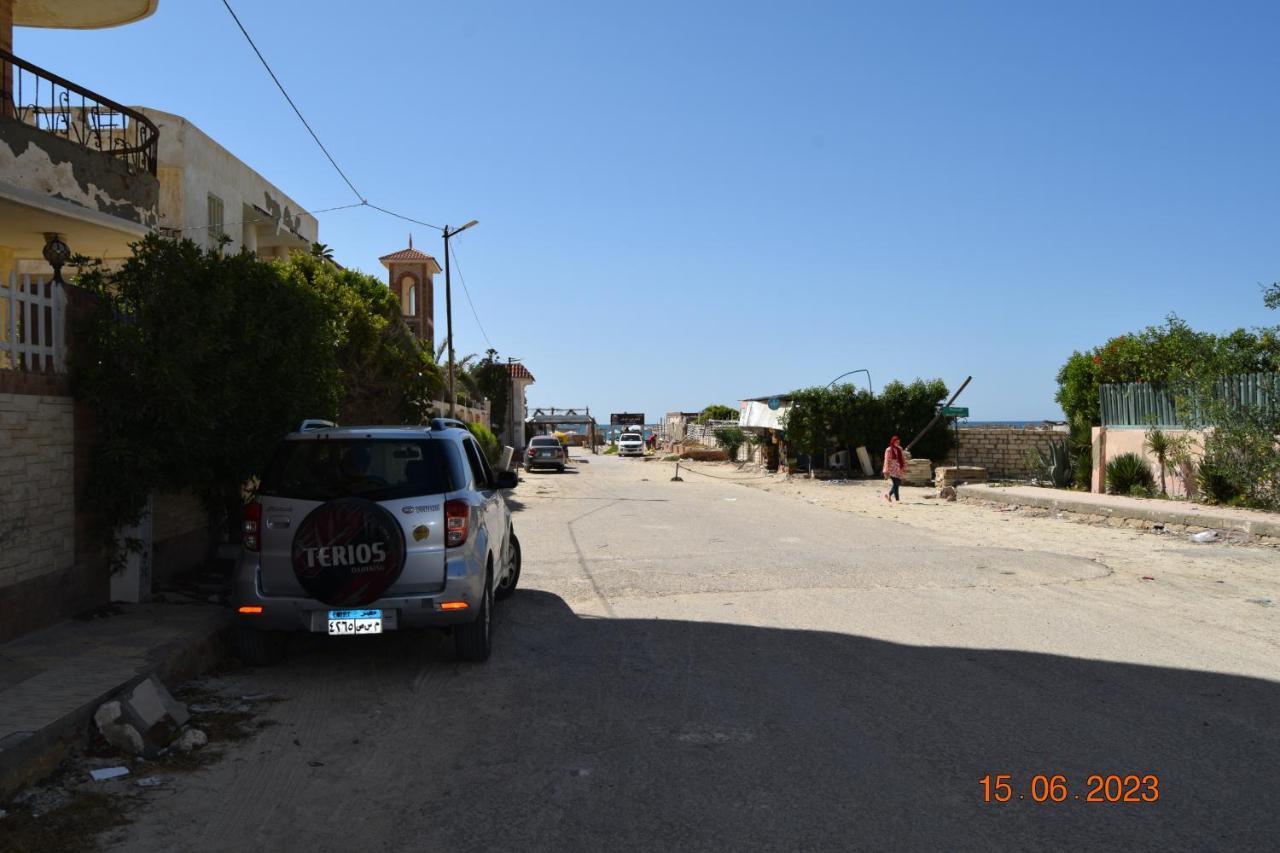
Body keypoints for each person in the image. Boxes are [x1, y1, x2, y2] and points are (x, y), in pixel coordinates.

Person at [882, 436, 906, 503]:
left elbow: (903, 458)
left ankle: (888, 495)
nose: (897, 443)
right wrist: (886, 471)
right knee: (896, 484)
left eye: (898, 442)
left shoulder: (900, 449)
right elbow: (886, 460)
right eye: (896, 442)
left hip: (898, 469)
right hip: (891, 469)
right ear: (893, 442)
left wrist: (904, 467)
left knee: (897, 483)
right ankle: (897, 500)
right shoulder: (888, 450)